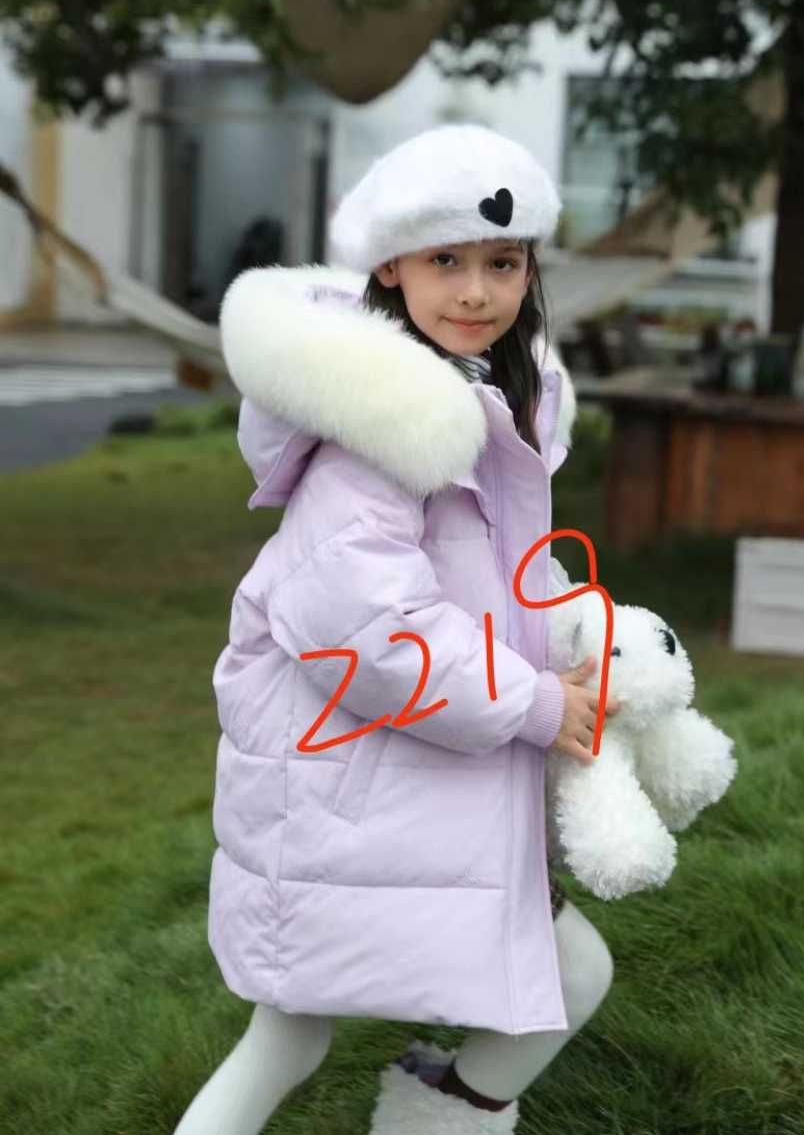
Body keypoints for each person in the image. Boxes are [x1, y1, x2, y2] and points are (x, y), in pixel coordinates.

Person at [173, 124, 620, 1135]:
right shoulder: (376, 437)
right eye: (446, 261)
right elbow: (370, 630)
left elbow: (496, 582)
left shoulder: (482, 402)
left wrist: (586, 640)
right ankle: (443, 1114)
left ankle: (440, 1113)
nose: (477, 292)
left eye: (502, 263)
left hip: (403, 785)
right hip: (342, 795)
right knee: (286, 1038)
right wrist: (536, 703)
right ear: (391, 266)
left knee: (561, 974)